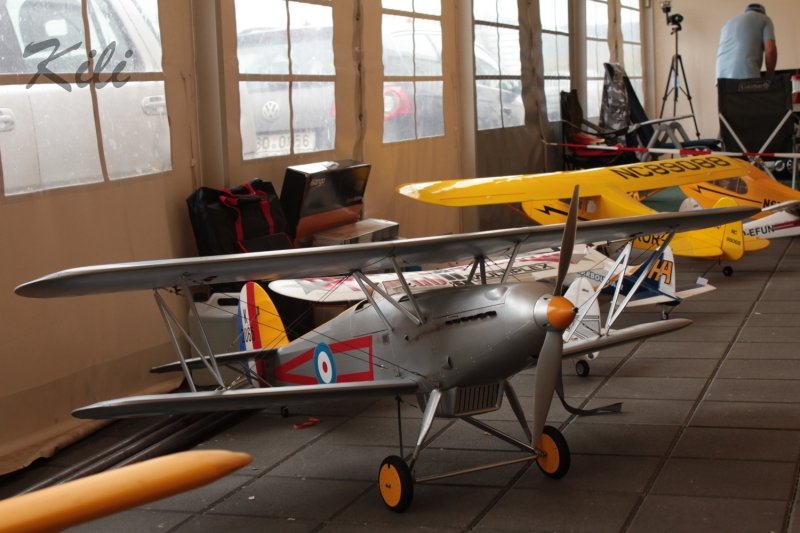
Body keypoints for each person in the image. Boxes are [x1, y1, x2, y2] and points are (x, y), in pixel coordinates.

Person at [716, 3, 777, 80]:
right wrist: (770, 75)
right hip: (745, 72)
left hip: (721, 74)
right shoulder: (765, 19)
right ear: (763, 13)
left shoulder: (728, 23)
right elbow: (770, 50)